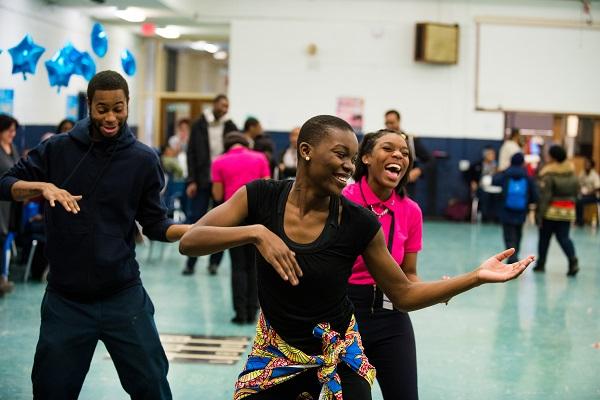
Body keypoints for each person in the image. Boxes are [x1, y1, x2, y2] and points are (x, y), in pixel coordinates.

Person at [179, 115, 534, 400]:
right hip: (276, 355)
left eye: (351, 158)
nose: (348, 166)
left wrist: (475, 276)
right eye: (340, 155)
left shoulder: (358, 221)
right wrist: (255, 233)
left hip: (340, 357)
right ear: (305, 151)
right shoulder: (261, 196)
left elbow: (404, 292)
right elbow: (191, 240)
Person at [0, 70, 189, 399]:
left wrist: (195, 230)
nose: (111, 117)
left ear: (127, 104)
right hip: (65, 300)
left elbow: (155, 224)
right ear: (89, 105)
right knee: (51, 390)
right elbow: (4, 184)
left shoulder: (143, 159)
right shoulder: (58, 150)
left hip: (123, 297)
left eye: (118, 107)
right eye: (102, 109)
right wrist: (41, 186)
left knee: (153, 387)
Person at [342, 128, 422, 399]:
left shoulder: (411, 211)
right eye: (388, 148)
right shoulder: (341, 201)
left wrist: (436, 292)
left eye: (404, 152)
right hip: (345, 315)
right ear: (365, 157)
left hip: (392, 313)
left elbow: (409, 273)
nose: (398, 155)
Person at [211, 133, 271, 324]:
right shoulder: (260, 158)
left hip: (233, 219)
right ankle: (253, 311)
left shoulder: (219, 162)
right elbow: (268, 187)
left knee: (238, 266)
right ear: (246, 143)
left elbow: (217, 195)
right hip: (258, 218)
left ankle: (240, 313)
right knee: (254, 266)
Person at [185, 94, 237, 275]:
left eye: (227, 106)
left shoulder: (230, 126)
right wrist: (191, 180)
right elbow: (191, 153)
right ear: (214, 104)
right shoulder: (199, 124)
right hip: (201, 180)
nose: (225, 109)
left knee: (221, 223)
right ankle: (190, 262)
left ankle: (215, 263)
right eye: (223, 105)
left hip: (221, 182)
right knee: (197, 220)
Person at [534, 145, 579, 276]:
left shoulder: (549, 173)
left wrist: (539, 214)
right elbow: (577, 191)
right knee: (564, 238)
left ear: (553, 157)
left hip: (550, 211)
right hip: (567, 211)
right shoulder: (571, 171)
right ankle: (573, 261)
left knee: (544, 238)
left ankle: (541, 264)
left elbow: (545, 196)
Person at [492, 152, 538, 263]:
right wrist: (528, 203)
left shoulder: (505, 174)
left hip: (506, 209)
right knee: (518, 233)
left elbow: (494, 181)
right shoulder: (527, 176)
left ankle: (511, 256)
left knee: (508, 234)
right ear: (522, 162)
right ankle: (515, 254)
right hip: (521, 211)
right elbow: (535, 195)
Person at [384, 109, 432, 199]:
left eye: (392, 122)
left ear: (398, 121)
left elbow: (430, 159)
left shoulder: (411, 141)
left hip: (405, 187)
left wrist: (418, 171)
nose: (389, 126)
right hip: (386, 185)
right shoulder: (381, 141)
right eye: (387, 123)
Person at [0, 114, 20, 295]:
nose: (12, 134)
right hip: (1, 203)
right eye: (10, 130)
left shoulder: (12, 147)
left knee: (6, 239)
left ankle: (3, 277)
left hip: (11, 204)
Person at [467, 146, 499, 222]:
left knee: (498, 196)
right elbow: (468, 175)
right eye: (491, 154)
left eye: (494, 154)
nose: (493, 156)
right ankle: (485, 217)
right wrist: (472, 182)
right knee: (484, 196)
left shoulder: (496, 166)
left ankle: (496, 217)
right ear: (485, 155)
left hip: (494, 188)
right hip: (482, 188)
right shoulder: (478, 165)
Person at [575, 157, 600, 226]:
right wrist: (579, 190)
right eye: (585, 164)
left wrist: (588, 193)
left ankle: (580, 221)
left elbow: (597, 188)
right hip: (583, 194)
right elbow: (578, 183)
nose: (586, 165)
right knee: (575, 199)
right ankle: (577, 219)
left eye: (588, 164)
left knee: (580, 201)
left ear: (591, 165)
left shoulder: (595, 175)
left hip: (593, 196)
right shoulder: (582, 173)